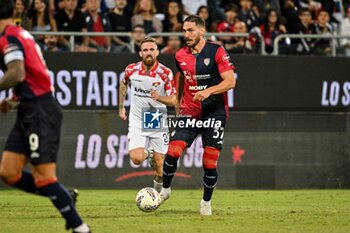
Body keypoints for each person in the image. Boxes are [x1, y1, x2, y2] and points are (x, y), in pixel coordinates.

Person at [0, 1, 91, 232]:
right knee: (9, 173)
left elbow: (17, 72)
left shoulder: (8, 37)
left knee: (44, 178)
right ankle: (63, 195)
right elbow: (31, 72)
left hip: (40, 110)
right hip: (29, 107)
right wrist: (13, 99)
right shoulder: (20, 33)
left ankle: (81, 228)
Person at [158, 15, 236, 215]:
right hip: (190, 111)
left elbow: (230, 82)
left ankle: (206, 202)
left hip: (215, 111)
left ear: (202, 31)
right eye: (184, 30)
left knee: (209, 162)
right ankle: (165, 190)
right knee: (173, 150)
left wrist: (208, 91)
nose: (186, 35)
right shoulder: (180, 56)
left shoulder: (216, 51)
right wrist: (178, 101)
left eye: (191, 30)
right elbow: (182, 78)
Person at [119, 37, 176, 192]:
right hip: (137, 117)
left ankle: (156, 196)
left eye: (152, 49)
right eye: (145, 50)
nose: (149, 53)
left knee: (160, 167)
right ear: (140, 53)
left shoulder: (165, 73)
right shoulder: (131, 69)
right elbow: (123, 83)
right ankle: (150, 153)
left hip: (155, 116)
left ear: (157, 52)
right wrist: (121, 107)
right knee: (136, 159)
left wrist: (159, 98)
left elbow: (174, 99)